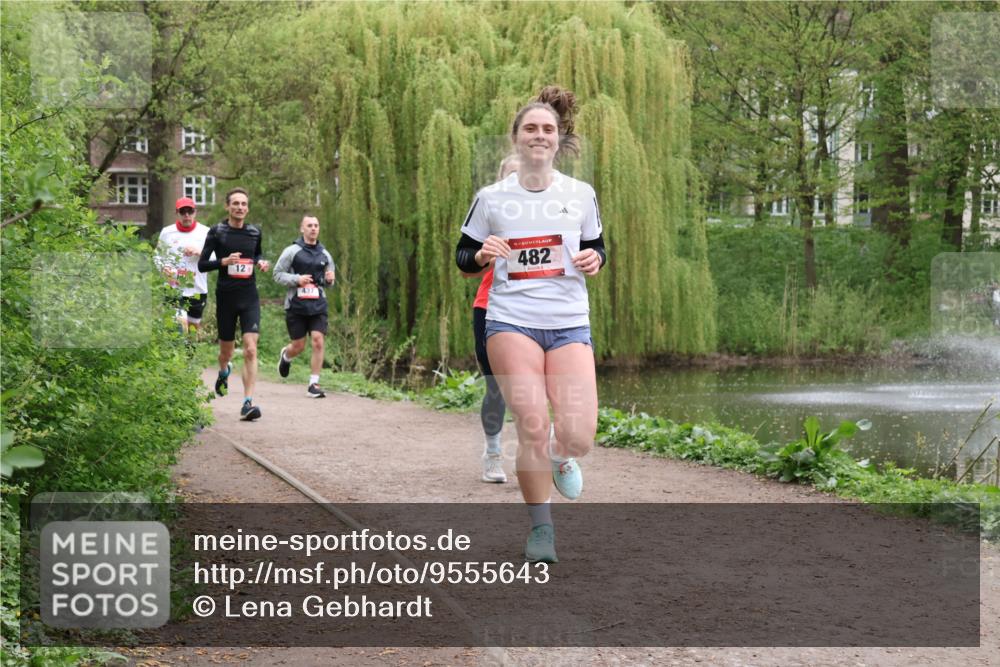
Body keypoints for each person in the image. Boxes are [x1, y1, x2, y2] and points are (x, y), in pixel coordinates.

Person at [455, 86, 607, 563]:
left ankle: (563, 457)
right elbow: (463, 255)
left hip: (567, 324)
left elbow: (598, 245)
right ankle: (542, 530)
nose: (539, 136)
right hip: (511, 321)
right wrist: (481, 254)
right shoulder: (492, 197)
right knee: (533, 424)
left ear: (559, 139)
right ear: (516, 139)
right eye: (530, 129)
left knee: (580, 434)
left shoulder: (580, 194)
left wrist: (594, 259)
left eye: (548, 129)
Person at [463, 155, 520, 484]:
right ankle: (494, 453)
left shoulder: (547, 214)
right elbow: (467, 267)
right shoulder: (489, 216)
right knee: (496, 385)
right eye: (511, 175)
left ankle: (541, 455)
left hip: (533, 310)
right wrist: (485, 254)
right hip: (491, 307)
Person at [197, 188, 270, 421]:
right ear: (227, 206)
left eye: (244, 204)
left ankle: (248, 402)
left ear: (248, 208)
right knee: (225, 352)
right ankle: (223, 371)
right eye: (235, 203)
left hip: (249, 297)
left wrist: (261, 263)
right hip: (226, 298)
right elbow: (201, 265)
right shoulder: (217, 232)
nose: (240, 207)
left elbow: (255, 255)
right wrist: (223, 262)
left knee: (250, 348)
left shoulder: (255, 232)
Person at [273, 215, 336, 398]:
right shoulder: (292, 251)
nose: (313, 228)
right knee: (298, 346)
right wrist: (296, 279)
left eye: (316, 225)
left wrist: (330, 280)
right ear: (302, 229)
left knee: (318, 340)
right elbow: (277, 274)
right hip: (296, 306)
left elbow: (328, 280)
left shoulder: (325, 254)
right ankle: (286, 356)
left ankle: (313, 384)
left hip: (318, 305)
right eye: (309, 225)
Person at [155, 197, 210, 336]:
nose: (186, 215)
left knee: (192, 330)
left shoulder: (205, 232)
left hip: (197, 288)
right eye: (183, 211)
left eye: (190, 211)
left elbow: (216, 257)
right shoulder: (167, 232)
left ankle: (189, 356)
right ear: (177, 213)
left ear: (195, 212)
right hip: (174, 287)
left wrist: (199, 252)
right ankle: (176, 355)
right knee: (178, 327)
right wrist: (163, 268)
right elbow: (157, 255)